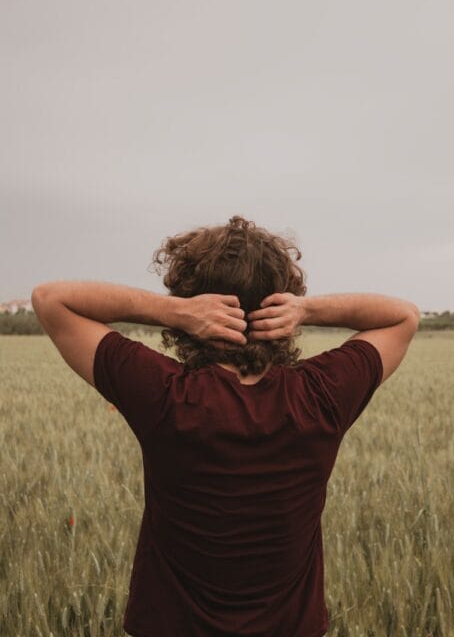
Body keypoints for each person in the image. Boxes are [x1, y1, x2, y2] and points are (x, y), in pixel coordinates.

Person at [31, 215, 420, 637]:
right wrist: (306, 309)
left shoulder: (164, 395)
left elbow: (51, 299)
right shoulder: (320, 396)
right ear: (280, 304)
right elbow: (403, 316)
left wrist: (172, 311)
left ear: (194, 303)